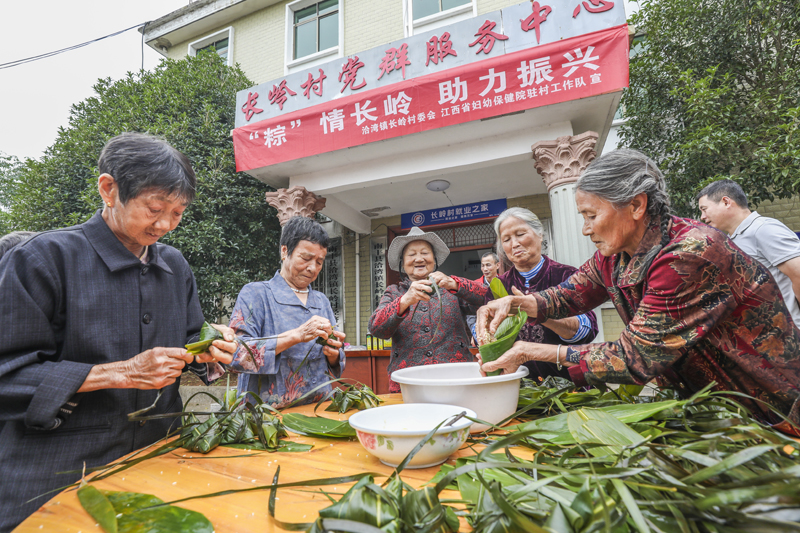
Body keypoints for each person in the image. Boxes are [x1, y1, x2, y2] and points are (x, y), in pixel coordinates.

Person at [0, 132, 237, 531]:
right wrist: (121, 373)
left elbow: (189, 339)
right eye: (154, 208)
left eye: (178, 213)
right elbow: (7, 376)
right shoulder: (41, 259)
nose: (164, 224)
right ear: (109, 190)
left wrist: (210, 345)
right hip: (55, 472)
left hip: (157, 458)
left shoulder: (175, 268)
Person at [477, 149, 800, 433]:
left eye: (592, 215)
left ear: (635, 205)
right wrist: (515, 303)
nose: (586, 229)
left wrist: (531, 351)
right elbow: (568, 294)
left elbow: (636, 357)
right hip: (709, 409)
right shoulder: (615, 256)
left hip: (768, 409)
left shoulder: (690, 253)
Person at [226, 216, 346, 408]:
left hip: (319, 410)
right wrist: (296, 335)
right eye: (306, 258)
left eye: (319, 262)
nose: (312, 268)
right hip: (268, 418)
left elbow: (337, 362)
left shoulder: (321, 301)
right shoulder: (256, 294)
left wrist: (333, 352)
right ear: (284, 251)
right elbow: (236, 356)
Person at [484, 207, 598, 381]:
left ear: (540, 234)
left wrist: (537, 312)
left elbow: (587, 330)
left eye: (520, 234)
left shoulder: (567, 275)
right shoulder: (499, 286)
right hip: (519, 388)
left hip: (567, 386)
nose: (514, 244)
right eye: (506, 239)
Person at [369, 226, 487, 392]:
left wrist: (454, 283)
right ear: (403, 263)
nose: (419, 259)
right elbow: (376, 328)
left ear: (434, 259)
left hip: (456, 380)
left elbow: (488, 298)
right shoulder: (394, 292)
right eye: (411, 254)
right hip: (409, 384)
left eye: (425, 253)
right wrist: (405, 301)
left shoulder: (452, 289)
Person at [697, 179, 800, 326]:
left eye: (704, 209)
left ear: (726, 202)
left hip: (791, 335)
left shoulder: (763, 229)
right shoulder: (733, 240)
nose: (702, 217)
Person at [466, 252, 502, 345]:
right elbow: (470, 314)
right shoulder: (475, 285)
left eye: (488, 265)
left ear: (497, 265)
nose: (485, 269)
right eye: (483, 265)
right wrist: (475, 333)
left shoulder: (505, 283)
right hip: (483, 333)